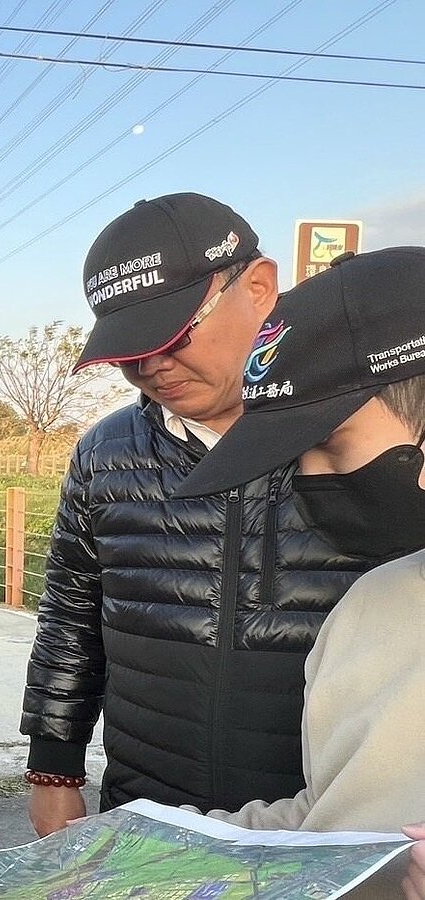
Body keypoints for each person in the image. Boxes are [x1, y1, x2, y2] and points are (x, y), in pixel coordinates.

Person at [19, 193, 373, 837]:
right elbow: (70, 619)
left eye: (176, 334)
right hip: (144, 824)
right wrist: (54, 773)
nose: (152, 366)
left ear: (260, 288)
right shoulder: (106, 453)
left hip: (325, 828)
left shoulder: (361, 443)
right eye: (128, 350)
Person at [172, 248, 425, 896]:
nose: (307, 484)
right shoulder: (370, 605)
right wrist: (159, 848)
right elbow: (329, 817)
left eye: (330, 444)